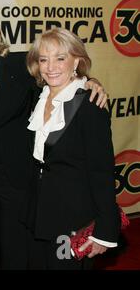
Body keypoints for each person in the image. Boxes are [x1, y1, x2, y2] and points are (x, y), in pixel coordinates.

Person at [0, 4, 107, 269]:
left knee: (17, 252)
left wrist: (90, 82)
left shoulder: (20, 66)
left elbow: (59, 74)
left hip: (19, 177)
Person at [24, 28, 120, 269]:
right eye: (44, 59)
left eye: (60, 58)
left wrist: (105, 230)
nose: (51, 66)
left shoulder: (89, 104)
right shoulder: (37, 95)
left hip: (73, 219)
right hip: (37, 216)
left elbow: (102, 170)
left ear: (76, 60)